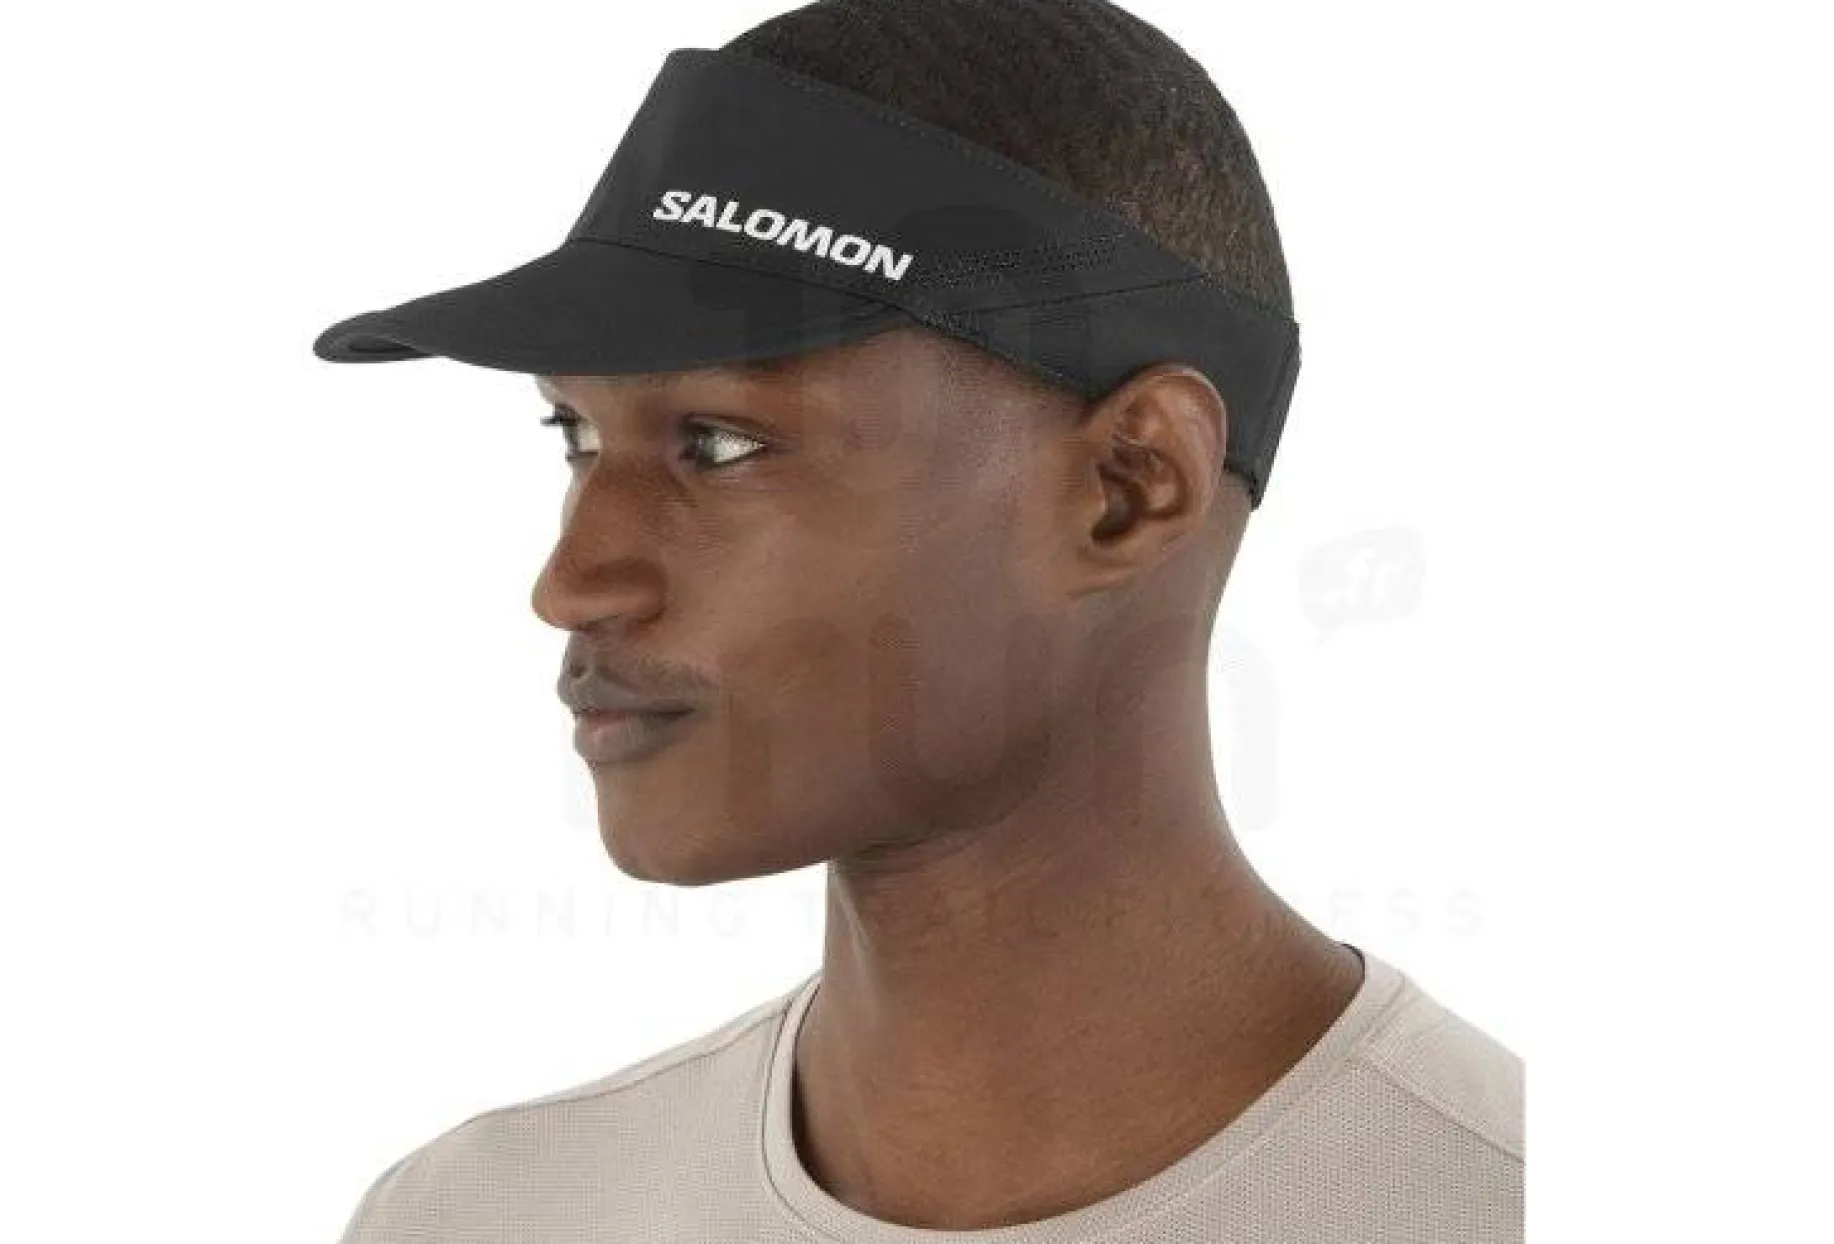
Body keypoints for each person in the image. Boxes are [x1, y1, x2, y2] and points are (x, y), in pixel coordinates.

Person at [313, 2, 1523, 1240]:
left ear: (1129, 486)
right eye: (573, 434)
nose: (572, 583)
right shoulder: (480, 1214)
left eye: (718, 443)